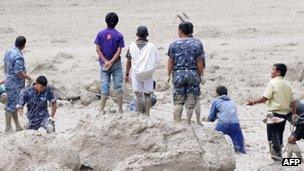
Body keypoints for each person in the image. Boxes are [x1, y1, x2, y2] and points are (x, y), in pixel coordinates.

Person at [247, 63, 297, 161]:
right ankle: (279, 155)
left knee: (272, 134)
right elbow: (293, 101)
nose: (271, 71)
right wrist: (294, 113)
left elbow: (265, 98)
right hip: (284, 114)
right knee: (279, 133)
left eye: (273, 69)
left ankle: (276, 156)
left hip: (274, 113)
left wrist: (253, 102)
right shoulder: (288, 84)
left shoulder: (273, 82)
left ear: (278, 72)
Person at [167, 22, 204, 124]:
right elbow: (199, 61)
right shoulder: (197, 44)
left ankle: (177, 122)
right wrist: (201, 74)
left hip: (178, 74)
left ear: (180, 31)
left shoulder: (174, 44)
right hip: (193, 74)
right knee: (191, 100)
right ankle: (188, 122)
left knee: (178, 101)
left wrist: (168, 75)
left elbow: (171, 61)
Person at [125, 26, 160, 116]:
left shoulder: (132, 46)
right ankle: (147, 114)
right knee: (148, 94)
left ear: (137, 35)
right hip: (148, 73)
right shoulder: (152, 46)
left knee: (138, 94)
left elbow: (128, 60)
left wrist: (127, 74)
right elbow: (157, 60)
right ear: (147, 35)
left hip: (136, 73)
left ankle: (139, 113)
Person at [94, 12, 125, 114]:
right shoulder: (119, 35)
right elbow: (119, 51)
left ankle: (101, 109)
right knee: (118, 86)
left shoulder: (100, 34)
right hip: (115, 64)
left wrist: (105, 61)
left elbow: (98, 49)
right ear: (117, 22)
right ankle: (120, 109)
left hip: (104, 64)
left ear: (106, 21)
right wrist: (111, 61)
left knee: (105, 87)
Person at [3, 36, 32, 132]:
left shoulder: (9, 51)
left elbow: (5, 64)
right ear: (23, 45)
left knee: (13, 104)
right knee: (11, 105)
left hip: (8, 80)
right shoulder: (18, 56)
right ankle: (8, 127)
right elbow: (18, 72)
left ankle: (17, 126)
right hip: (15, 84)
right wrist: (27, 77)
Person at [207, 86, 246, 154]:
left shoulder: (216, 101)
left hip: (223, 124)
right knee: (240, 146)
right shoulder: (232, 101)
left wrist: (209, 119)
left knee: (215, 140)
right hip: (235, 124)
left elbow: (212, 117)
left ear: (217, 94)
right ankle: (239, 150)